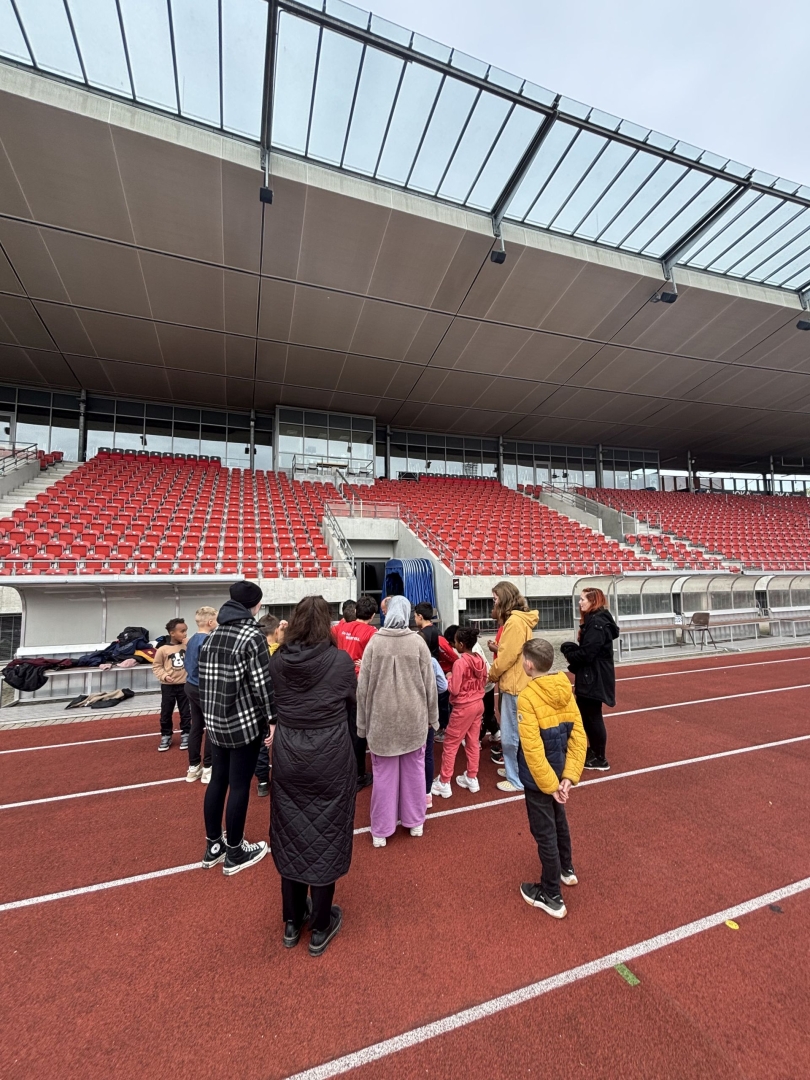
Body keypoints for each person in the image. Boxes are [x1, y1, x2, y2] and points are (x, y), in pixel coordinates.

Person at [269, 596, 357, 957]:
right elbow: (350, 701)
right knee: (327, 833)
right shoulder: (339, 661)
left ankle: (292, 920)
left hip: (289, 751)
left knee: (291, 831)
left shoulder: (278, 660)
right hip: (330, 752)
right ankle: (320, 924)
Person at [199, 581, 273, 876]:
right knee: (240, 785)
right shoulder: (252, 637)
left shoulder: (213, 635)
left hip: (215, 723)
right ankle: (235, 851)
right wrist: (272, 719)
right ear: (255, 605)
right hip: (242, 724)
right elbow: (263, 686)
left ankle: (213, 846)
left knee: (218, 781)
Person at [357, 595, 438, 847]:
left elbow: (363, 689)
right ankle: (415, 821)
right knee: (414, 772)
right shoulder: (417, 642)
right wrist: (433, 717)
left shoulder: (374, 643)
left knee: (383, 776)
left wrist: (362, 725)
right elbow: (430, 686)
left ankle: (381, 830)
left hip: (382, 721)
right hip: (413, 719)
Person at [517, 638, 586, 919]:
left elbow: (532, 749)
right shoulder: (565, 689)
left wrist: (550, 786)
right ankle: (566, 868)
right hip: (558, 772)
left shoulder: (527, 697)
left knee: (544, 830)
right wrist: (568, 777)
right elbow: (578, 736)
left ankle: (551, 894)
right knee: (559, 821)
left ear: (528, 664)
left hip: (540, 779)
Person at [487, 582, 539, 793]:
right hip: (518, 682)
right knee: (516, 732)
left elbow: (506, 657)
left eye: (495, 599)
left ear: (505, 599)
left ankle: (516, 778)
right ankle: (514, 769)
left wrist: (491, 675)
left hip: (515, 685)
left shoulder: (514, 622)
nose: (493, 603)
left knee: (511, 735)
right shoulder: (518, 620)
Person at [560, 588, 619, 773]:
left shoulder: (597, 623)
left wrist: (570, 652)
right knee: (587, 715)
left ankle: (600, 757)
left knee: (592, 716)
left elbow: (588, 653)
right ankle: (594, 751)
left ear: (593, 601)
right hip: (592, 675)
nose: (580, 603)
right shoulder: (595, 620)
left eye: (583, 599)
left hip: (594, 677)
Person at [431, 626, 487, 798]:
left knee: (450, 744)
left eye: (455, 642)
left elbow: (454, 690)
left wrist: (448, 678)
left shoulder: (460, 663)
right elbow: (484, 680)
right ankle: (472, 776)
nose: (453, 645)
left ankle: (444, 781)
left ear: (461, 644)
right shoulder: (480, 659)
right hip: (478, 703)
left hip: (463, 707)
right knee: (472, 742)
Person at [333, 595, 378, 789]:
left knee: (342, 724)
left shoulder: (341, 627)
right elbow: (376, 658)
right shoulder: (372, 632)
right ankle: (358, 774)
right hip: (359, 683)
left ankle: (343, 768)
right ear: (373, 615)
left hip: (340, 681)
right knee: (358, 728)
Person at [183, 607, 217, 783]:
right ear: (210, 622)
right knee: (211, 727)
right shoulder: (208, 641)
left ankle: (193, 766)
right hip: (203, 688)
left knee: (196, 726)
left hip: (190, 685)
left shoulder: (191, 640)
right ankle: (208, 768)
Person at [254, 615, 286, 797]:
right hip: (279, 702)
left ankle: (263, 781)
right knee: (282, 741)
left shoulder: (255, 651)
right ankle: (284, 777)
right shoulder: (281, 651)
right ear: (276, 631)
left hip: (260, 704)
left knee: (262, 743)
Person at [152, 618, 191, 752]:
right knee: (166, 712)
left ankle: (186, 733)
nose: (185, 634)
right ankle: (166, 735)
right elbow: (157, 666)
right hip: (168, 686)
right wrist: (164, 676)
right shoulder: (163, 649)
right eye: (182, 631)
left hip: (184, 685)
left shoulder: (187, 646)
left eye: (186, 631)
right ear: (172, 633)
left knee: (186, 712)